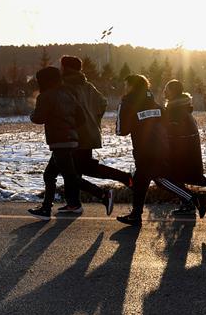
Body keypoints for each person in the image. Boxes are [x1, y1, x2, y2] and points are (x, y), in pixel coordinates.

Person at [115, 74, 206, 225]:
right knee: (143, 180)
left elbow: (121, 131)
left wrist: (128, 114)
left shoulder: (128, 103)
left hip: (144, 151)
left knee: (159, 180)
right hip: (162, 147)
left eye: (126, 85)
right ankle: (136, 215)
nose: (125, 88)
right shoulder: (155, 104)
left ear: (131, 87)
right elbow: (165, 123)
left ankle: (193, 198)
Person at [60, 55, 132, 215]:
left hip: (76, 135)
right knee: (81, 168)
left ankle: (120, 181)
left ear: (65, 68)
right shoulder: (87, 85)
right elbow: (103, 103)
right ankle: (74, 203)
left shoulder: (66, 86)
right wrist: (94, 120)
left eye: (61, 66)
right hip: (89, 133)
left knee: (73, 170)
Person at [163, 79, 206, 216]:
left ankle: (189, 202)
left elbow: (171, 131)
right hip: (189, 148)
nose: (164, 92)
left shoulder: (174, 110)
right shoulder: (181, 107)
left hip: (180, 150)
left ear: (172, 92)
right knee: (191, 176)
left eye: (166, 89)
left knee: (173, 178)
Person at [27, 66, 84, 219]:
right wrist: (70, 128)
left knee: (70, 177)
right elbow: (82, 118)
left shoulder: (46, 96)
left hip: (59, 142)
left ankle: (104, 194)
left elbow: (38, 118)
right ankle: (47, 208)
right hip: (71, 140)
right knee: (50, 175)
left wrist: (32, 115)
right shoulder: (68, 93)